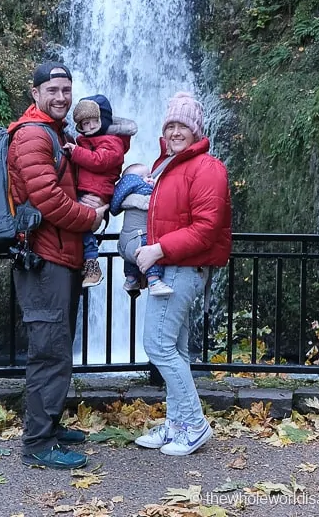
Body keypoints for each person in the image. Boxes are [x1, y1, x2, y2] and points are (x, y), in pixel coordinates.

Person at [7, 62, 107, 470]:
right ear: (35, 94)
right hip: (44, 258)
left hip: (60, 257)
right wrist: (92, 219)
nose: (62, 97)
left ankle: (49, 425)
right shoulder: (32, 135)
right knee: (49, 352)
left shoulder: (57, 134)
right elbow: (47, 198)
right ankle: (38, 443)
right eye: (53, 89)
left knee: (57, 348)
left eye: (67, 89)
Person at [134, 91, 231, 458]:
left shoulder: (206, 168)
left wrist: (158, 250)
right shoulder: (169, 166)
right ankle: (177, 423)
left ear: (196, 130)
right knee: (174, 348)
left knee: (157, 345)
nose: (175, 131)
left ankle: (194, 423)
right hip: (172, 267)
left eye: (182, 126)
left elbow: (207, 227)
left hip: (182, 268)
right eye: (170, 125)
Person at [62, 95, 137, 288]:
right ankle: (87, 264)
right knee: (79, 225)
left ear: (102, 119)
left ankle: (92, 263)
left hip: (96, 192)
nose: (88, 127)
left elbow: (100, 160)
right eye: (84, 124)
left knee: (83, 225)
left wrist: (76, 152)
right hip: (86, 189)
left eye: (92, 122)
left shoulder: (113, 142)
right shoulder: (90, 141)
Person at [109, 162, 173, 297]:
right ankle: (154, 281)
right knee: (150, 248)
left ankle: (131, 279)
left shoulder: (125, 198)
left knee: (134, 254)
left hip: (125, 244)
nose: (149, 179)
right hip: (139, 240)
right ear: (132, 182)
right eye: (142, 177)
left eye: (149, 175)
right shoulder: (143, 195)